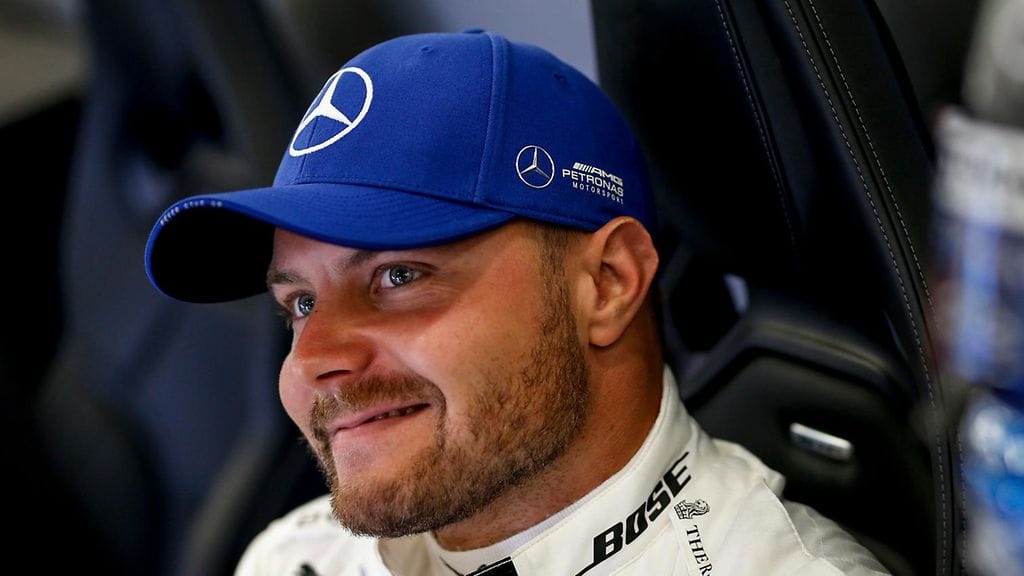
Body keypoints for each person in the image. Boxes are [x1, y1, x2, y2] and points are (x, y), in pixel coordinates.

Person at [145, 30, 890, 576]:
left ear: (608, 284)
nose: (312, 363)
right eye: (301, 304)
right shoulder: (292, 559)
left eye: (398, 276)